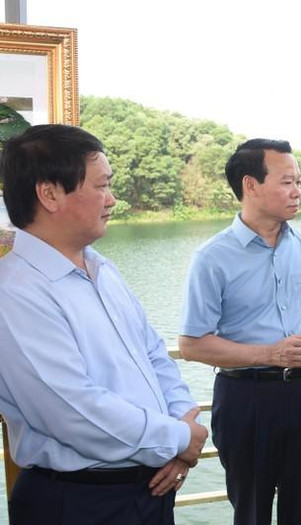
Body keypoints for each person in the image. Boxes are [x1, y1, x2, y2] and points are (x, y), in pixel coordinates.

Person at [0, 124, 208, 525]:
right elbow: (71, 411)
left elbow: (153, 354)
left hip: (150, 488)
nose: (112, 200)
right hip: (77, 502)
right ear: (50, 193)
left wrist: (182, 423)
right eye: (102, 186)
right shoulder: (16, 290)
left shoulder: (102, 268)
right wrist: (179, 438)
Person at [179, 138, 301, 525]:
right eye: (287, 182)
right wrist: (271, 354)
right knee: (252, 510)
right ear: (250, 185)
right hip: (245, 399)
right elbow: (191, 344)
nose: (297, 191)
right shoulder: (212, 257)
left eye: (298, 181)